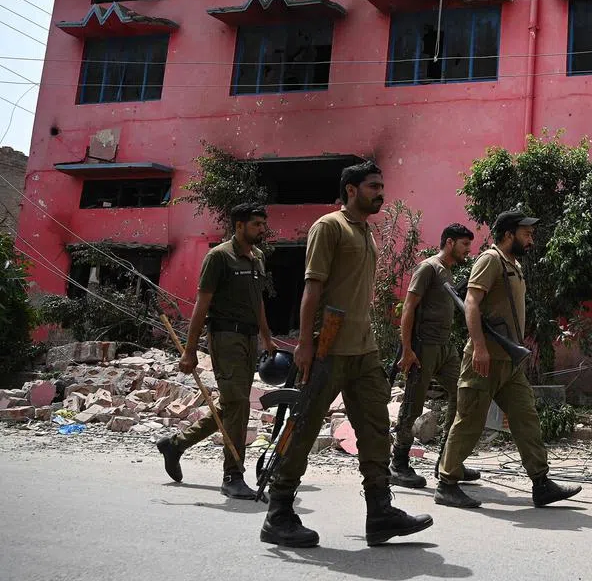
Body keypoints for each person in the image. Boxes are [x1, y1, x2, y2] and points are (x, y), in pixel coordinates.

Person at [259, 161, 432, 548]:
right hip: (328, 347)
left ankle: (380, 513)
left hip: (363, 350)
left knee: (374, 430)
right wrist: (305, 345)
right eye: (373, 186)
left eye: (381, 186)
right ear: (351, 190)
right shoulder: (329, 227)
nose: (380, 193)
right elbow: (312, 288)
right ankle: (279, 513)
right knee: (302, 429)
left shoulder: (366, 232)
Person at [432, 210, 581, 509]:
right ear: (509, 234)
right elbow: (471, 302)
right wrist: (479, 347)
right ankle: (447, 483)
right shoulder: (490, 260)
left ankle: (541, 483)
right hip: (483, 359)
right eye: (526, 233)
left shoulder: (514, 265)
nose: (531, 239)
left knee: (526, 418)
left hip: (509, 362)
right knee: (470, 421)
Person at [156, 203, 275, 499]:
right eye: (256, 224)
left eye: (263, 224)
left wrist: (267, 337)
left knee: (232, 404)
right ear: (239, 226)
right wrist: (190, 349)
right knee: (239, 405)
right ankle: (233, 475)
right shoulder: (219, 257)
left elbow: (258, 300)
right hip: (225, 337)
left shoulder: (258, 257)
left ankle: (176, 444)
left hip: (249, 340)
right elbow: (202, 303)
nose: (262, 229)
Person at [390, 223, 481, 488]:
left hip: (444, 347)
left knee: (463, 393)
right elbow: (408, 307)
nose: (468, 250)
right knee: (412, 405)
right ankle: (399, 463)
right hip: (423, 347)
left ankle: (447, 460)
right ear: (450, 242)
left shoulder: (448, 272)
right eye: (465, 244)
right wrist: (407, 349)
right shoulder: (428, 267)